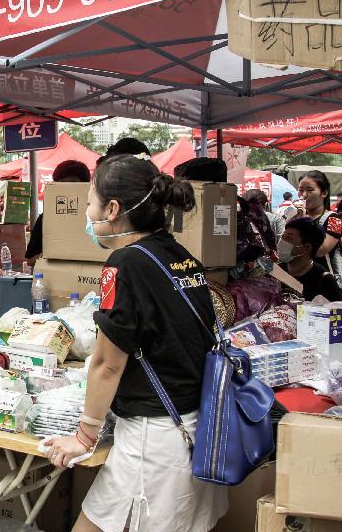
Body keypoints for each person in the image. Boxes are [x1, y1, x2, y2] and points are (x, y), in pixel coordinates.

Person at [44, 154, 227, 532]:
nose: (88, 214)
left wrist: (84, 436)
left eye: (90, 203)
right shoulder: (182, 257)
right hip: (196, 427)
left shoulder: (124, 264)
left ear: (112, 208)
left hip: (154, 439)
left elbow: (107, 364)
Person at [26, 160, 91, 267]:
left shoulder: (97, 217)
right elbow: (30, 260)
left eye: (71, 184)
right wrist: (54, 254)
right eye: (60, 184)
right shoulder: (45, 218)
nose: (65, 189)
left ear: (85, 185)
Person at [298, 171, 342, 295]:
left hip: (325, 288)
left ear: (324, 193)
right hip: (299, 285)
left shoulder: (335, 220)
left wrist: (304, 222)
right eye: (300, 190)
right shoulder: (295, 218)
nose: (304, 195)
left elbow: (320, 250)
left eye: (310, 190)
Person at [278, 218, 342, 302]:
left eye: (288, 238)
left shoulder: (324, 280)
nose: (281, 242)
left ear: (306, 247)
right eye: (282, 237)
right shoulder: (274, 272)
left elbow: (338, 312)